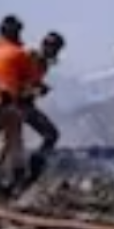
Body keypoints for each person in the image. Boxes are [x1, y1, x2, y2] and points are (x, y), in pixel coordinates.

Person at [0, 16, 30, 195]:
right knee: (14, 142)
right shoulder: (19, 53)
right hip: (8, 102)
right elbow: (29, 82)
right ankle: (17, 181)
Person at [21, 31, 65, 183]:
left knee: (51, 134)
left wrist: (39, 86)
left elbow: (32, 81)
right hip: (16, 105)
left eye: (56, 48)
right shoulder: (30, 58)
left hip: (25, 105)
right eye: (52, 47)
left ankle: (34, 170)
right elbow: (16, 82)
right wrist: (35, 89)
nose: (53, 51)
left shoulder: (43, 63)